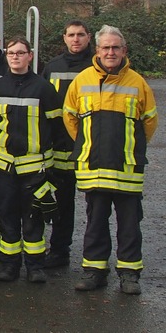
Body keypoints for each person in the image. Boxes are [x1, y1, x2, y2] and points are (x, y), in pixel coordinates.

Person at [64, 25, 157, 295]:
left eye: (115, 47)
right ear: (97, 50)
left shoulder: (137, 82)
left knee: (129, 224)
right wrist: (86, 145)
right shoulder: (82, 80)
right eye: (105, 47)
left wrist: (132, 146)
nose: (110, 52)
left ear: (124, 50)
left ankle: (129, 275)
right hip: (93, 166)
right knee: (95, 222)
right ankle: (95, 272)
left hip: (126, 166)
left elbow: (149, 121)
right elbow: (70, 117)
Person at [0, 36, 60, 284]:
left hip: (35, 168)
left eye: (20, 53)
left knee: (33, 218)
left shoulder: (44, 88)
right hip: (4, 166)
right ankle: (10, 266)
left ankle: (35, 266)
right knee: (6, 217)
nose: (16, 57)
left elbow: (56, 127)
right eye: (11, 53)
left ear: (30, 56)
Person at [41, 20, 94, 268]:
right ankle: (60, 251)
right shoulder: (52, 68)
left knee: (96, 206)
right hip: (59, 147)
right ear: (64, 38)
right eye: (71, 35)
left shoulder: (98, 66)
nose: (76, 39)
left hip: (90, 148)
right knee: (62, 203)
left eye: (80, 35)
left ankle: (95, 257)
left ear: (88, 37)